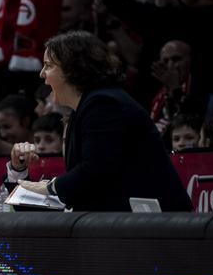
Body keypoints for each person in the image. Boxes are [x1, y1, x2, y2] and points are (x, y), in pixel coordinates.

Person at [17, 31, 192, 212]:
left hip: (161, 223)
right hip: (133, 221)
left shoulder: (103, 103)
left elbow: (96, 169)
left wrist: (49, 187)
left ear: (73, 69)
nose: (41, 74)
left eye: (48, 65)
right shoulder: (83, 109)